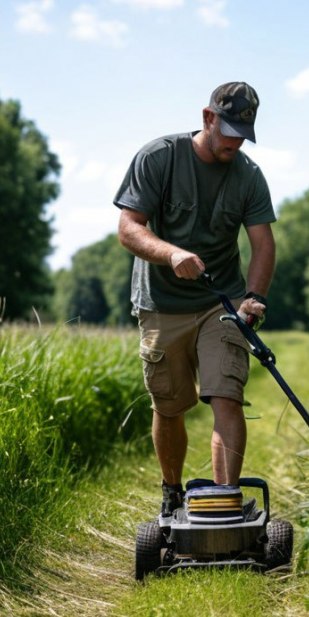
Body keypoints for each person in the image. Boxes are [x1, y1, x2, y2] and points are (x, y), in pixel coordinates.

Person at [113, 81, 276, 517]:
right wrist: (172, 253)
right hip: (161, 303)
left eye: (243, 133)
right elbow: (129, 228)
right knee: (170, 407)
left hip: (219, 305)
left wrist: (254, 298)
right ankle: (172, 491)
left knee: (226, 395)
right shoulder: (159, 158)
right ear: (207, 118)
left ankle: (224, 505)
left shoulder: (248, 176)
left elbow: (263, 244)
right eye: (228, 131)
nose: (235, 142)